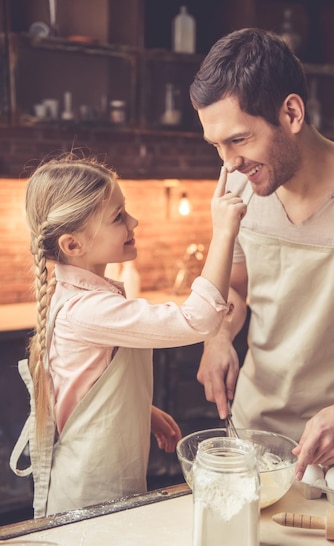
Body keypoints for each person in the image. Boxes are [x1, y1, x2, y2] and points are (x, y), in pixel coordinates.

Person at [190, 28, 334, 481]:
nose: (228, 162)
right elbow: (236, 289)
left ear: (291, 112)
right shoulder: (239, 186)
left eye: (238, 139)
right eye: (216, 145)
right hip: (248, 442)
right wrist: (217, 337)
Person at [10, 153, 246, 517]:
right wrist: (224, 231)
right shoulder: (88, 310)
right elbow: (199, 320)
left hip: (104, 486)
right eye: (118, 217)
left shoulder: (86, 299)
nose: (133, 221)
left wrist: (141, 409)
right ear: (73, 245)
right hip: (90, 498)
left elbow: (85, 384)